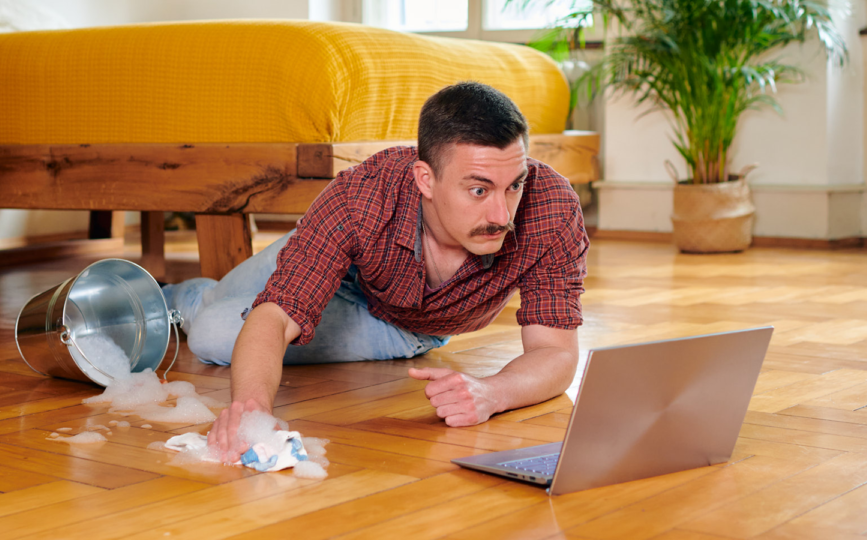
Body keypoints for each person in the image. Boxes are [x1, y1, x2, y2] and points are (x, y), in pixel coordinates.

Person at [163, 81, 589, 462]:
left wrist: (493, 392)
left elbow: (556, 351)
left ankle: (183, 306)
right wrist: (250, 415)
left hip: (399, 322)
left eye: (513, 184)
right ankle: (166, 298)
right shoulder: (362, 194)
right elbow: (276, 313)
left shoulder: (550, 207)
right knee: (214, 301)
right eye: (478, 189)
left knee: (210, 331)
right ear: (424, 178)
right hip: (339, 259)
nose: (501, 213)